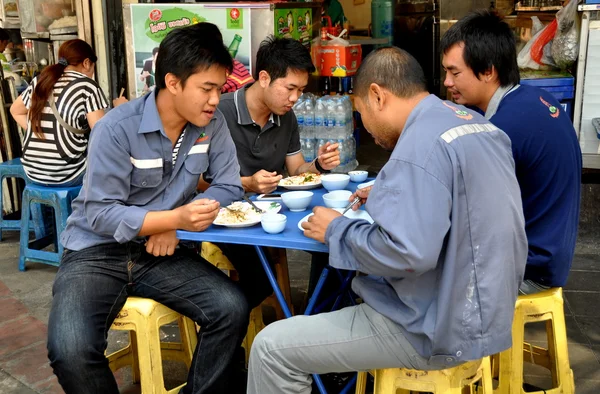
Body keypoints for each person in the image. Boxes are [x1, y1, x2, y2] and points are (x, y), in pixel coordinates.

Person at [246, 47, 528, 394]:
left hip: (433, 327)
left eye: (360, 111)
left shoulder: (417, 148)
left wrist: (337, 230)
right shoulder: (471, 123)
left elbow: (409, 254)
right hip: (488, 314)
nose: (364, 125)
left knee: (271, 348)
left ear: (378, 96)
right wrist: (384, 192)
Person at [46, 23, 248, 394]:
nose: (215, 99)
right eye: (207, 88)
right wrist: (168, 219)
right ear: (173, 82)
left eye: (219, 89)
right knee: (69, 349)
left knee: (231, 308)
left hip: (162, 251)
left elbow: (229, 185)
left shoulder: (212, 125)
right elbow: (100, 213)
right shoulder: (116, 128)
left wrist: (175, 225)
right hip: (95, 251)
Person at [440, 10, 582, 294]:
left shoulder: (501, 130)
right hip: (552, 255)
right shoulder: (535, 97)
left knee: (421, 272)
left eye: (454, 72)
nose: (447, 82)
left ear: (488, 70)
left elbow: (462, 204)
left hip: (530, 269)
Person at [211, 36, 340, 311]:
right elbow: (194, 180)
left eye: (301, 90)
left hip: (272, 212)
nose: (295, 98)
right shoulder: (219, 112)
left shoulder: (286, 117)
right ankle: (224, 320)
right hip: (225, 217)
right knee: (260, 279)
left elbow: (296, 171)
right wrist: (247, 183)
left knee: (331, 244)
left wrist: (318, 166)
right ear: (265, 77)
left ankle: (316, 322)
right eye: (290, 88)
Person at [10, 39, 109, 187]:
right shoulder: (87, 86)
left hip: (32, 171)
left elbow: (15, 111)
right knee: (107, 164)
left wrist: (39, 131)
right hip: (68, 174)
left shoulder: (40, 80)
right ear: (87, 63)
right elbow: (101, 134)